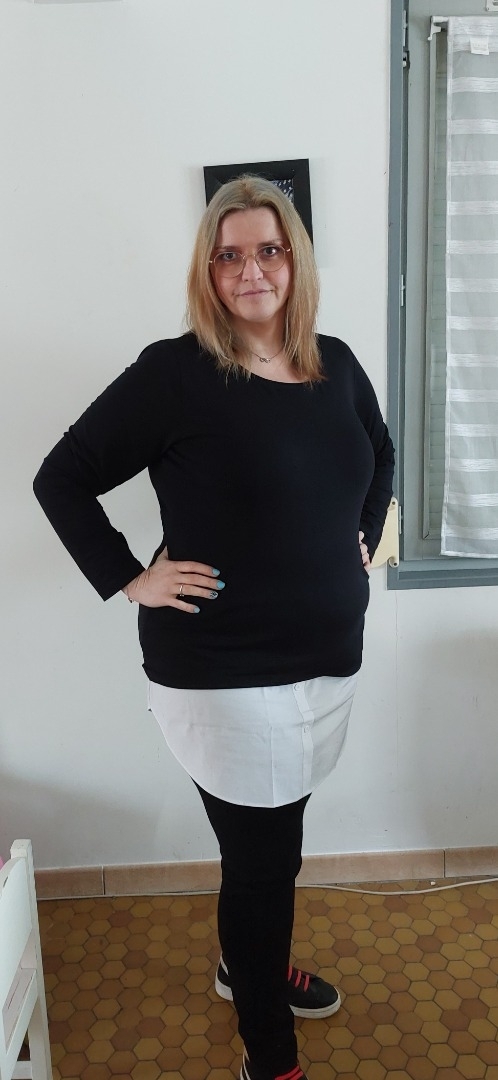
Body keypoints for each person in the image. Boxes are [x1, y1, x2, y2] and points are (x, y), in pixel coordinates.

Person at [33, 175, 395, 1080]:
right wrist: (130, 577)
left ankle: (247, 966)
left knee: (272, 850)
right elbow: (61, 478)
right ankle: (268, 1053)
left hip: (324, 661)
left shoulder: (337, 363)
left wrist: (363, 535)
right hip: (222, 670)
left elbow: (379, 452)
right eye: (228, 255)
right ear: (207, 270)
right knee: (265, 863)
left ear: (296, 260)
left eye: (268, 250)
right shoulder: (175, 373)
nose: (250, 270)